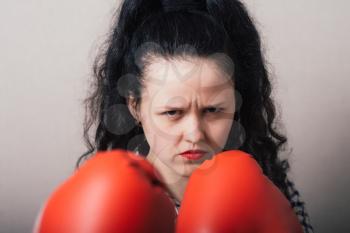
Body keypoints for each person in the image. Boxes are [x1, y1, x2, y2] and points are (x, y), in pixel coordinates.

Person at [76, 0, 313, 232]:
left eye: (213, 110)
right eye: (173, 113)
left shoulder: (265, 185)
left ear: (236, 103)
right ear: (135, 106)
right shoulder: (109, 201)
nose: (194, 133)